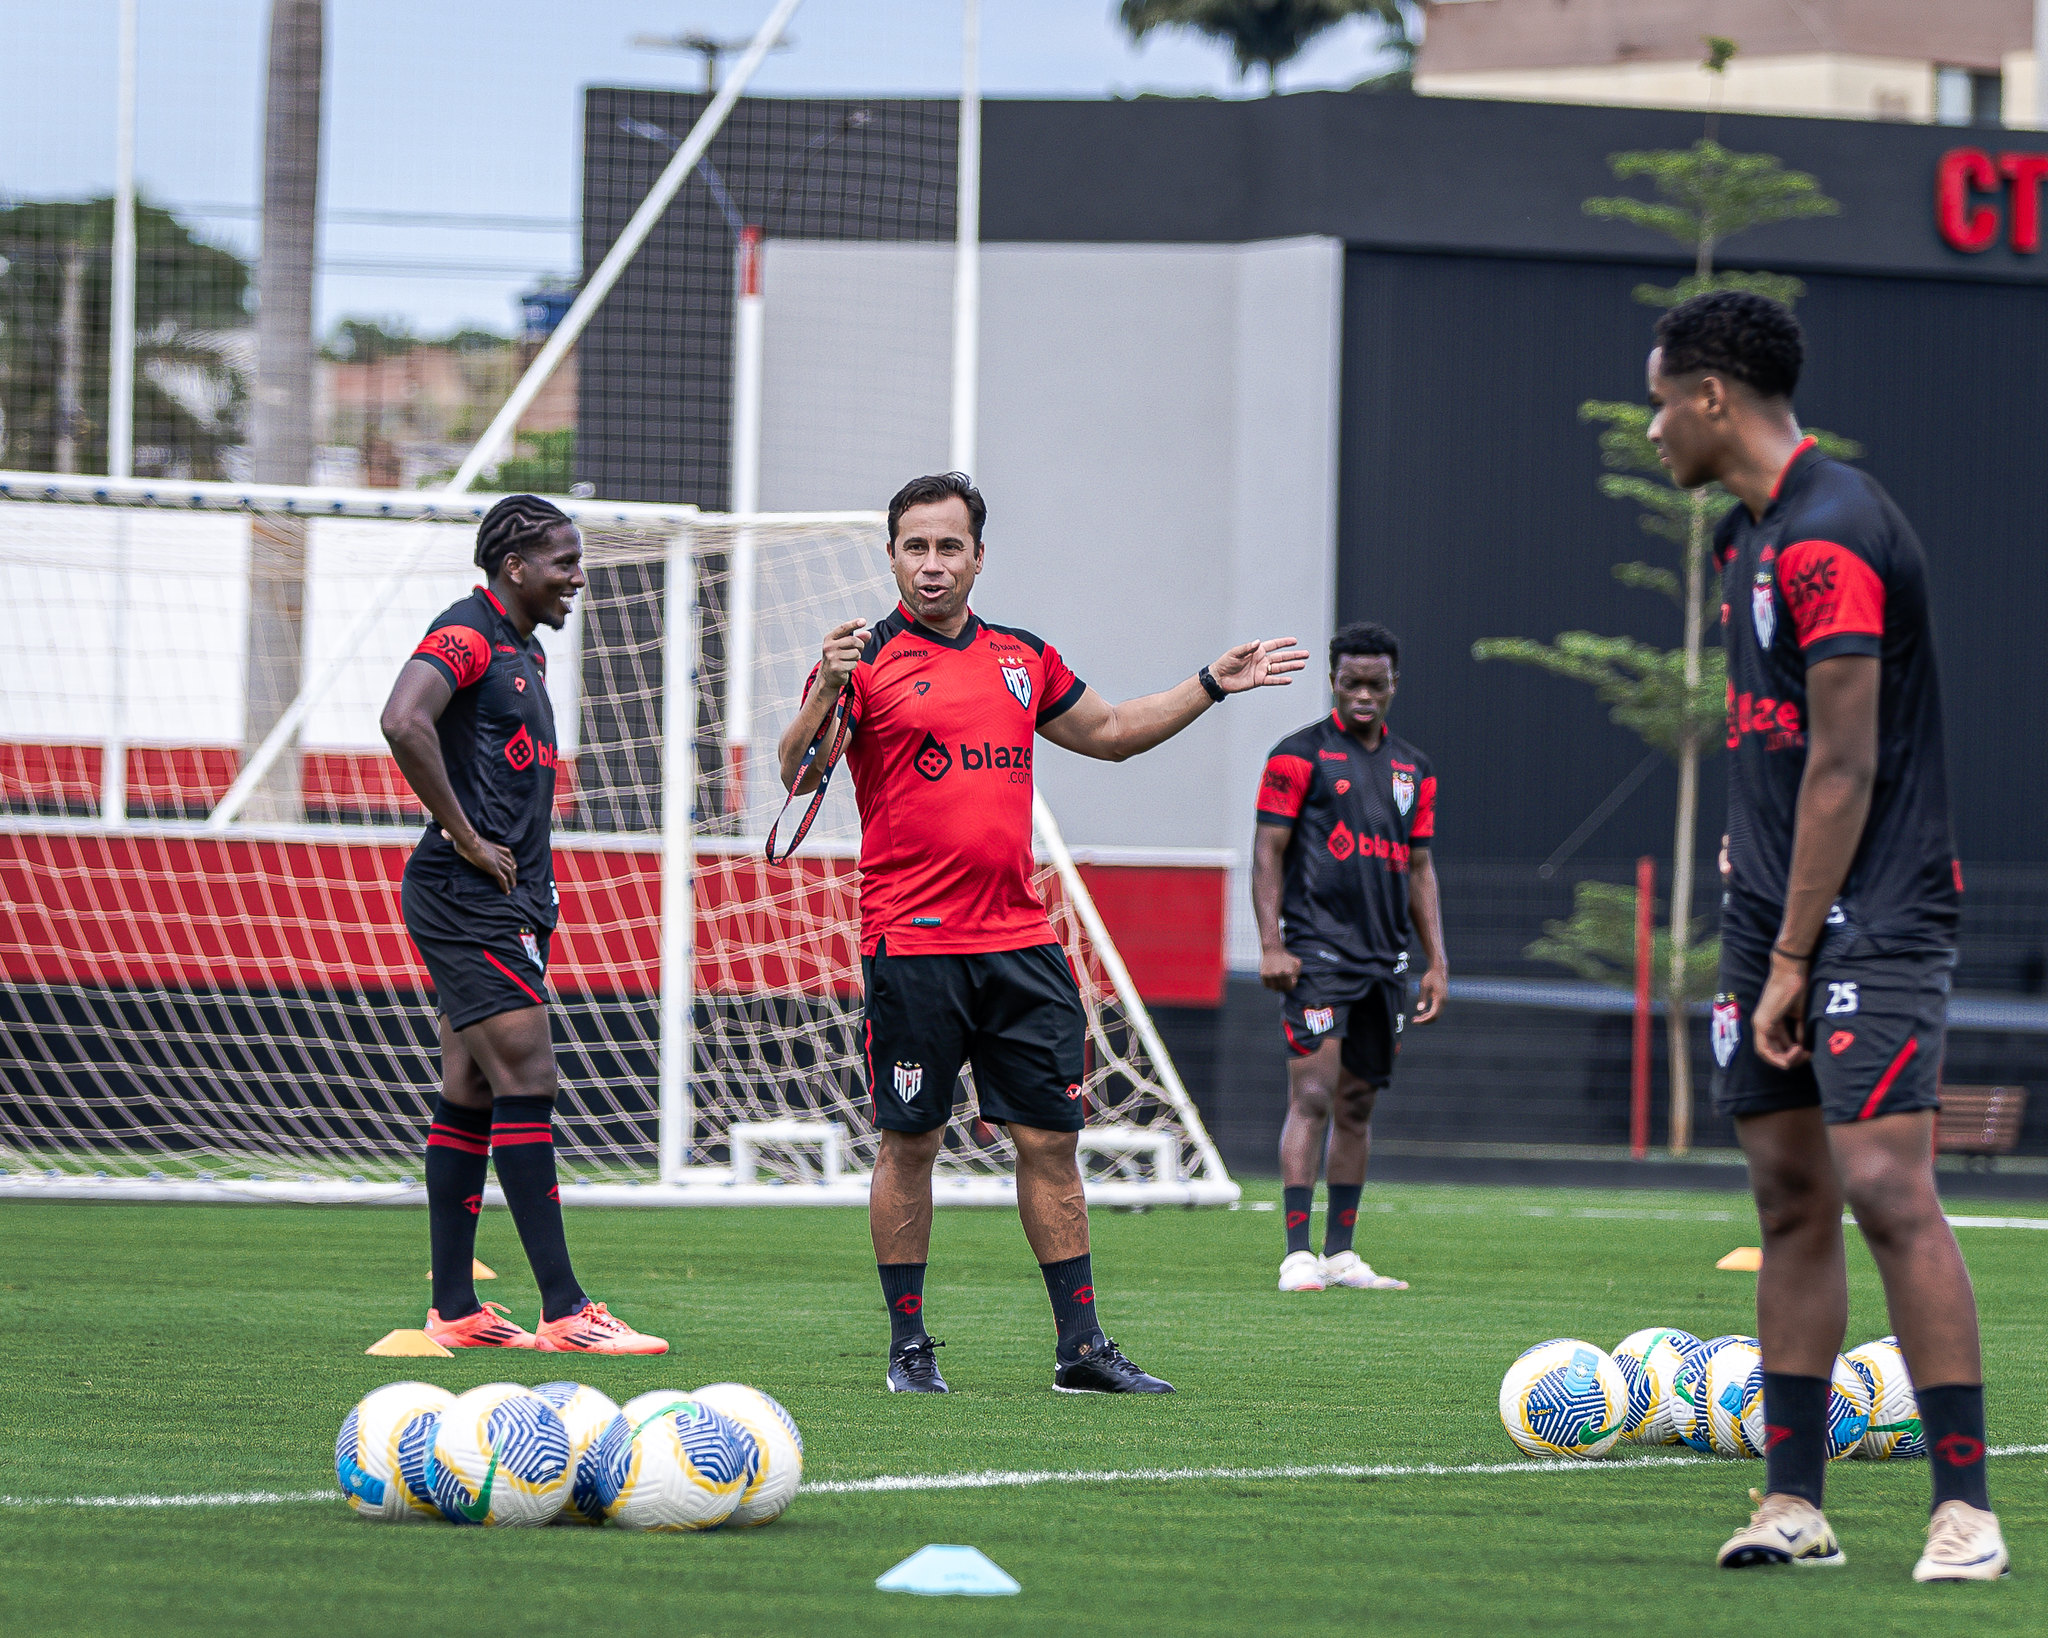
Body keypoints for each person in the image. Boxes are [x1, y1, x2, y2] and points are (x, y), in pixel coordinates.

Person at [778, 471, 1307, 1395]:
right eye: (916, 546)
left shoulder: (1022, 658)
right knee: (911, 1143)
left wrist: (1210, 685)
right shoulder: (860, 662)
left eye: (950, 546)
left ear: (980, 556)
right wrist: (823, 690)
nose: (932, 563)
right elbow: (796, 771)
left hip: (1022, 946)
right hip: (914, 945)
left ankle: (1082, 1349)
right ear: (892, 555)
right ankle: (909, 1348)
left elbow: (1110, 732)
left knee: (1051, 1142)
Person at [1645, 290, 2004, 1580]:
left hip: (1877, 915)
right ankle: (1789, 1506)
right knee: (1787, 1195)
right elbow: (1780, 753)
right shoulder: (1744, 540)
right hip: (1774, 918)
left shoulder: (1831, 532)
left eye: (1654, 401)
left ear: (1708, 399)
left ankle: (1962, 1514)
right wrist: (1764, 921)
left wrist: (1797, 957)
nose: (1646, 431)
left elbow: (1844, 767)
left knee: (1886, 1190)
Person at [380, 494, 666, 1355]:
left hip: (505, 901)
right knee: (529, 1079)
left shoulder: (525, 654)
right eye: (565, 562)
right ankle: (566, 1311)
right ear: (515, 566)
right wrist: (466, 836)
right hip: (466, 896)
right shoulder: (467, 633)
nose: (578, 577)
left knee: (471, 1088)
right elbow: (402, 720)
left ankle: (458, 1310)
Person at [1253, 622, 1446, 1294]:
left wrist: (1436, 962)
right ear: (1333, 680)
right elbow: (1266, 854)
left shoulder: (1414, 768)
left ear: (1394, 685)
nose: (1363, 694)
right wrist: (1272, 944)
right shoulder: (1296, 757)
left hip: (1384, 962)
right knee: (1312, 1095)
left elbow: (1420, 868)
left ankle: (1341, 1252)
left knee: (1358, 1104)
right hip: (1316, 956)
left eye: (1376, 683)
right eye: (1351, 681)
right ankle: (1297, 1253)